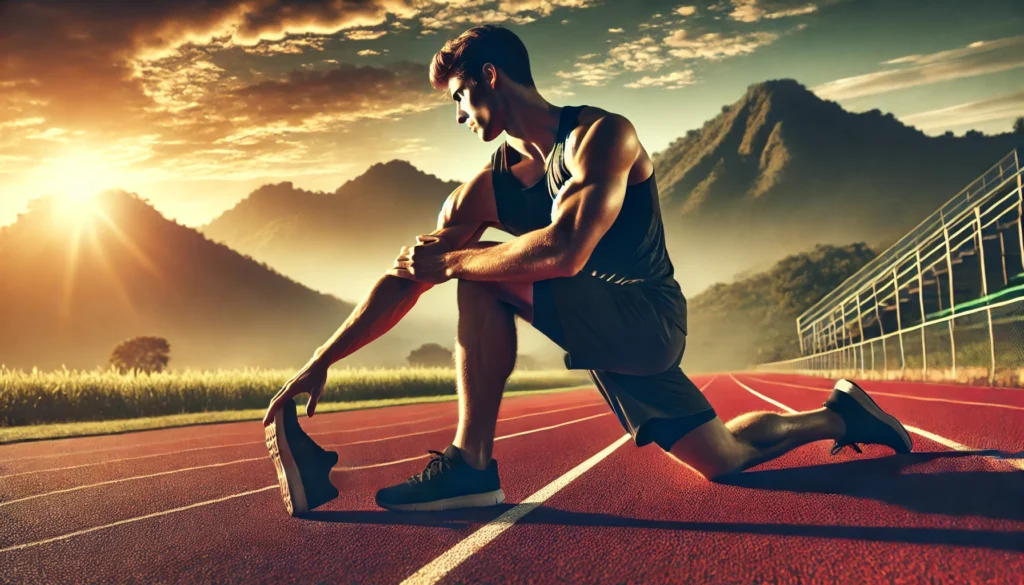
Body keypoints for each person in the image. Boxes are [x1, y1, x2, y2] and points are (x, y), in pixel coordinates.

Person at [261, 24, 912, 515]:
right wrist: (323, 357)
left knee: (476, 277)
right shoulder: (482, 191)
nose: (458, 116)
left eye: (459, 98)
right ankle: (842, 414)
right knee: (726, 459)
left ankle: (471, 464)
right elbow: (409, 271)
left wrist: (459, 260)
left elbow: (564, 249)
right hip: (597, 327)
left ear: (491, 76)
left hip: (646, 319)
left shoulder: (602, 138)